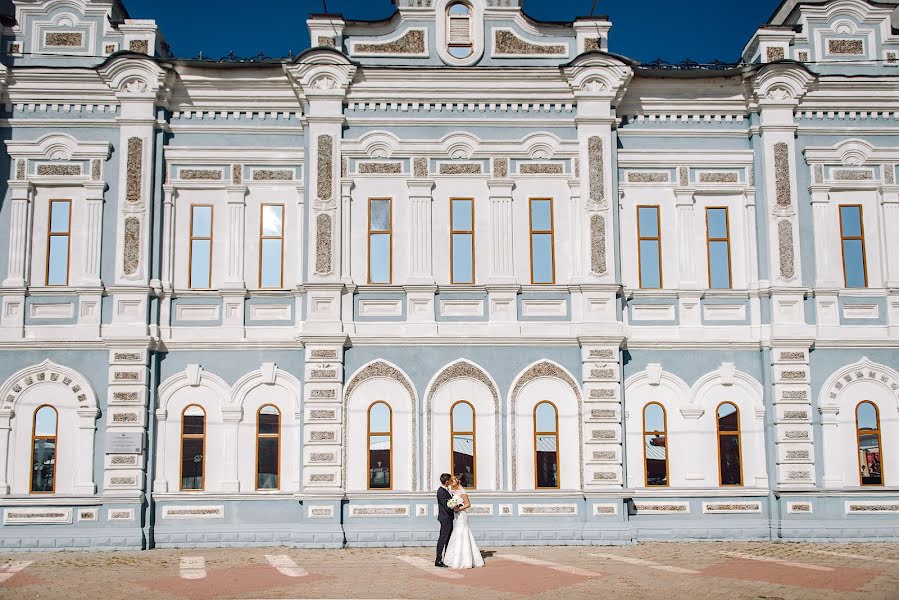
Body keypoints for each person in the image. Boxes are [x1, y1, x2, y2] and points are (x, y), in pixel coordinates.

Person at [442, 473, 485, 569]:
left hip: (462, 515)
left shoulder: (462, 491)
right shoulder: (453, 491)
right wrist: (452, 506)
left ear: (458, 481)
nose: (451, 482)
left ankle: (466, 559)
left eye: (453, 480)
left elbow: (468, 504)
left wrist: (459, 509)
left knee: (463, 533)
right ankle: (454, 558)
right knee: (457, 533)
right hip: (456, 516)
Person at [435, 472, 455, 567]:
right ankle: (438, 559)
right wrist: (455, 507)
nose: (451, 482)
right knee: (443, 538)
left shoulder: (446, 490)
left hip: (448, 517)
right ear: (446, 482)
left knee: (448, 538)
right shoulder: (441, 491)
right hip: (445, 518)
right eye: (450, 480)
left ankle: (447, 557)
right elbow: (446, 505)